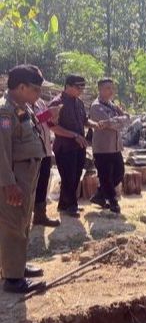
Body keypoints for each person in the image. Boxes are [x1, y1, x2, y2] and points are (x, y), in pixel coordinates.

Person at [0, 65, 47, 293]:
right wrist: (9, 183)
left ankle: (16, 266)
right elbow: (2, 151)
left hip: (26, 174)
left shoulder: (21, 108)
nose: (38, 95)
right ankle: (12, 278)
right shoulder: (5, 112)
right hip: (15, 178)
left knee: (23, 222)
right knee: (13, 224)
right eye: (35, 90)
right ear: (21, 87)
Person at [49, 75, 100, 217]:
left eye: (83, 87)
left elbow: (84, 120)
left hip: (79, 146)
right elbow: (52, 127)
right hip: (65, 147)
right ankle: (71, 205)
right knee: (68, 176)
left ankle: (64, 204)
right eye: (79, 87)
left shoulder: (79, 103)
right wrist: (74, 135)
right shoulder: (57, 103)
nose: (82, 90)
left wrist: (94, 124)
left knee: (76, 175)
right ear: (68, 86)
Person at [89, 78, 130, 214]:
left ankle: (99, 195)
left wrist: (117, 121)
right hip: (103, 148)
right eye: (108, 88)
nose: (111, 91)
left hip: (115, 146)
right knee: (105, 175)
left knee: (119, 173)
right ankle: (113, 201)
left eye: (112, 88)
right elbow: (110, 124)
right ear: (100, 89)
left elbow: (126, 120)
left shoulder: (112, 105)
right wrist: (119, 120)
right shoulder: (96, 106)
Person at [32, 97, 61, 227]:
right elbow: (30, 122)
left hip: (45, 150)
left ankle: (40, 215)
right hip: (31, 153)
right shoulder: (20, 104)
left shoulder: (40, 102)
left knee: (43, 183)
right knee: (30, 185)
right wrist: (48, 114)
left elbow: (47, 123)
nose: (38, 91)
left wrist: (53, 118)